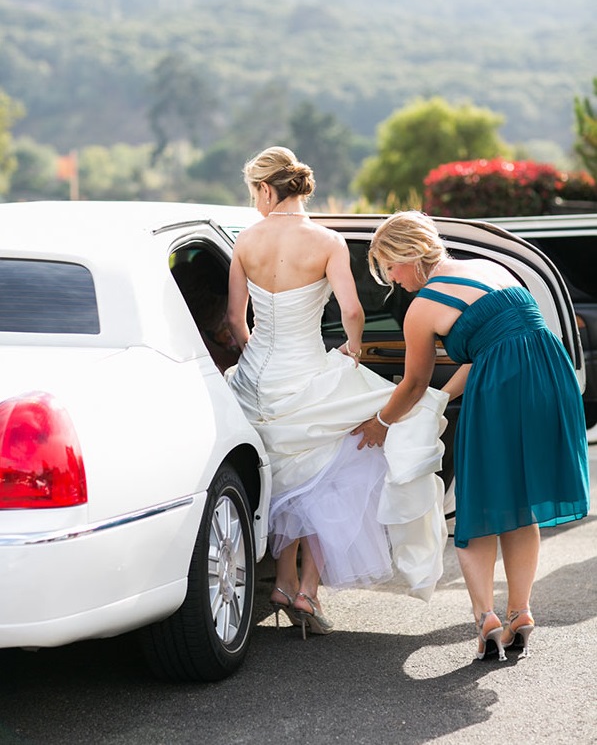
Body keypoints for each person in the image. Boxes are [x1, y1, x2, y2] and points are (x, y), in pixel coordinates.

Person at [225, 148, 449, 639]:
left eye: (254, 192)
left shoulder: (245, 240)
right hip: (310, 373)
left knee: (281, 478)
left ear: (266, 189)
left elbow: (236, 318)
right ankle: (307, 587)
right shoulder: (326, 241)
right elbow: (351, 309)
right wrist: (352, 348)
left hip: (258, 376)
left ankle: (282, 583)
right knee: (339, 469)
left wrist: (253, 354)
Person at [354, 209, 590, 660]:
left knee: (478, 503)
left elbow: (412, 383)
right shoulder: (491, 268)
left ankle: (486, 618)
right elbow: (493, 343)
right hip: (550, 375)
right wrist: (438, 402)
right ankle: (520, 612)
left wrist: (381, 423)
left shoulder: (422, 309)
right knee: (520, 505)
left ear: (407, 255)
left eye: (388, 268)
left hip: (503, 386)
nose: (392, 280)